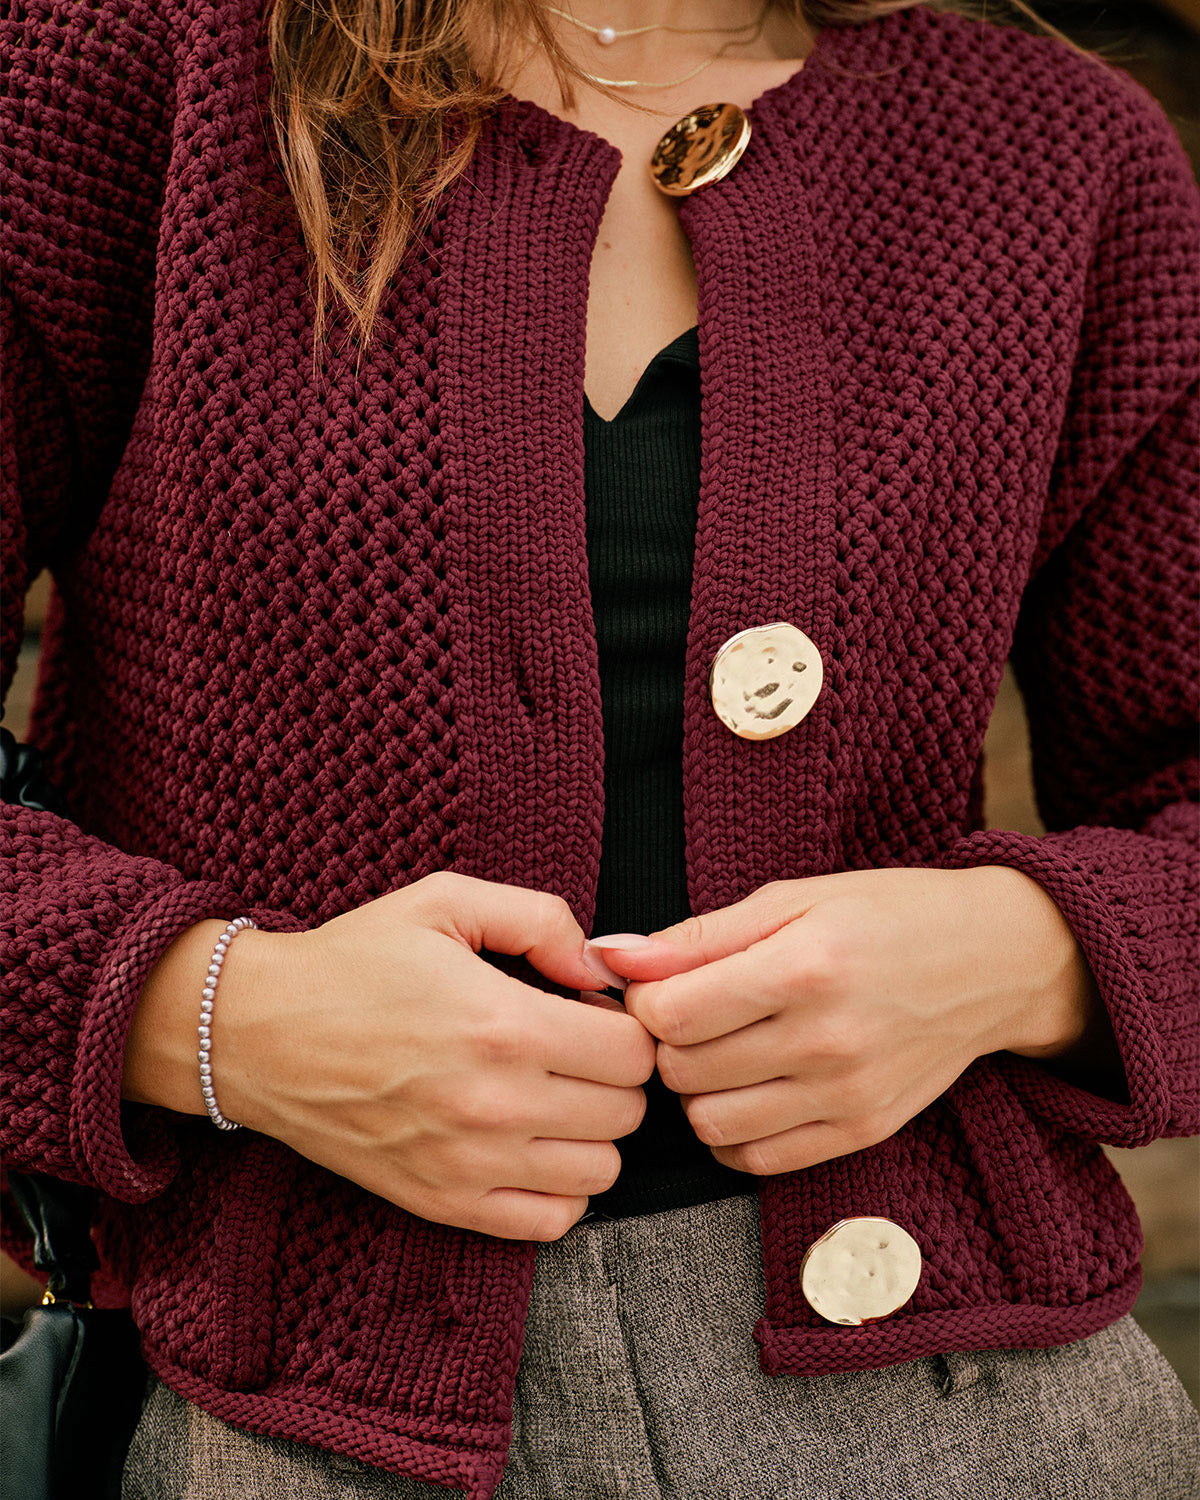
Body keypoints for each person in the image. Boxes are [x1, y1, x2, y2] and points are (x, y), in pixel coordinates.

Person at [2, 0, 1198, 1495]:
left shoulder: (1051, 147)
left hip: (986, 1415)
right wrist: (220, 1019)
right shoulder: (119, 80)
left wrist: (1030, 954)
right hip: (284, 1421)